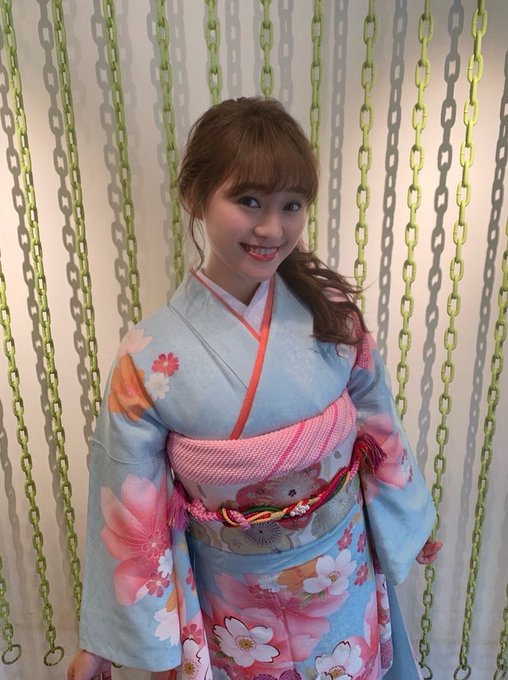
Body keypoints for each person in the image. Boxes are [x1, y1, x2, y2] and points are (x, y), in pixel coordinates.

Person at [67, 97, 441, 680]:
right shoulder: (149, 356)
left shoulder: (331, 313)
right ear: (195, 198)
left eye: (292, 205)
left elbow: (378, 423)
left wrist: (408, 518)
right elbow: (127, 495)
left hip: (339, 575)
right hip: (234, 604)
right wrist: (107, 637)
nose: (272, 228)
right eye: (248, 201)